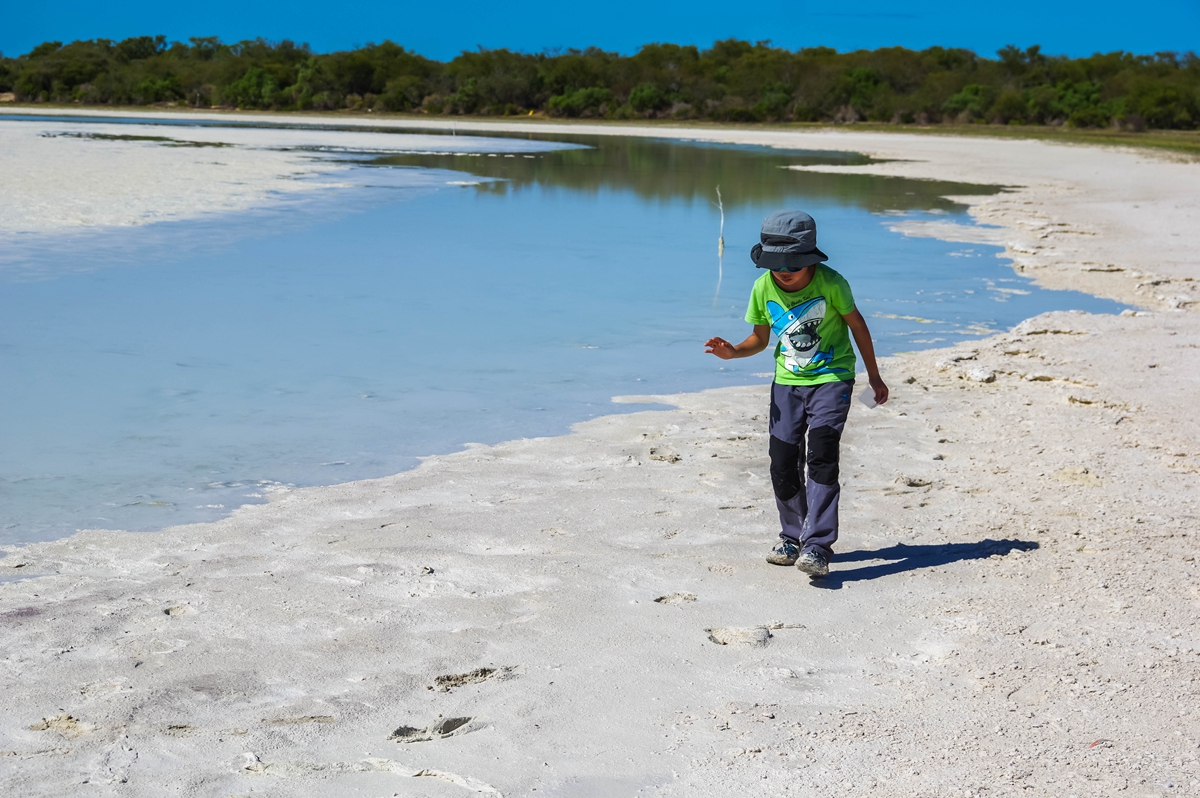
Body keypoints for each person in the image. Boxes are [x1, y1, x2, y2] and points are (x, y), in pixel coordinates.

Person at [705, 210, 888, 578]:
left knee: (822, 456)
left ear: (809, 259)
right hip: (786, 384)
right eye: (776, 264)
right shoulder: (762, 288)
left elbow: (858, 328)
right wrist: (733, 352)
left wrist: (874, 376)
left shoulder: (833, 284)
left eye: (792, 264)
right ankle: (792, 537)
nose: (783, 271)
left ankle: (818, 545)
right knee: (782, 460)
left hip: (832, 378)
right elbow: (759, 339)